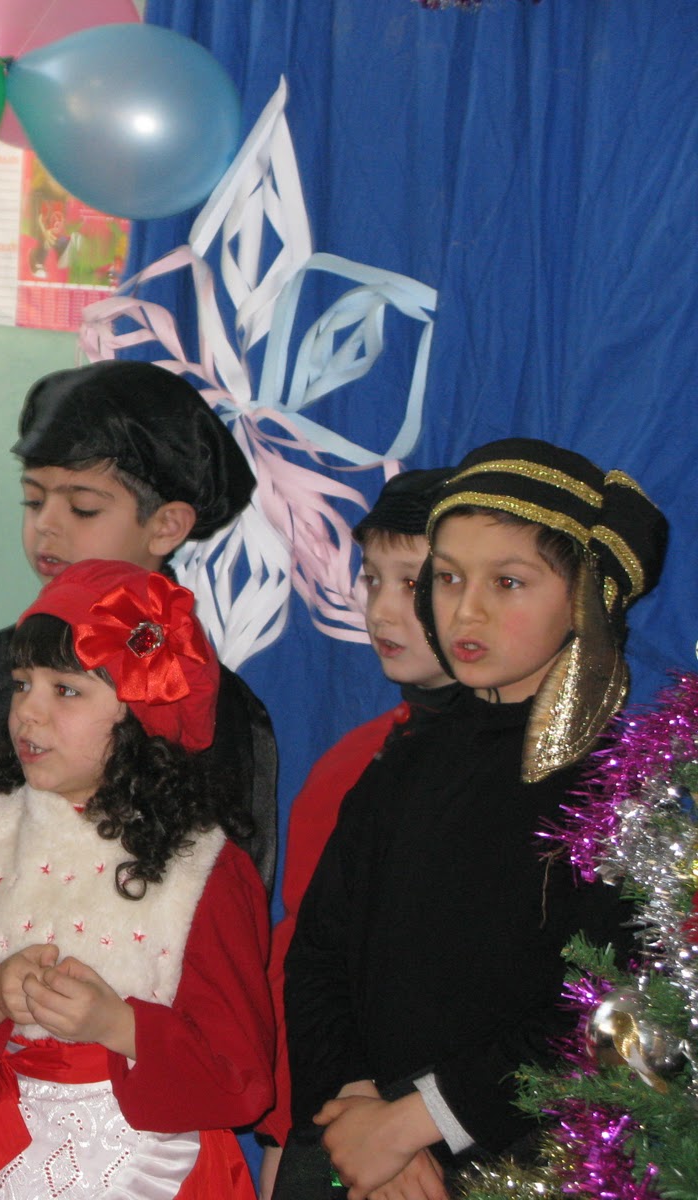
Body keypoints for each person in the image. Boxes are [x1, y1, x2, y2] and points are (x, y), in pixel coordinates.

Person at [282, 438, 668, 1199]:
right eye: (449, 577)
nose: (467, 609)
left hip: (519, 1161)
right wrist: (359, 1109)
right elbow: (320, 954)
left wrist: (418, 1122)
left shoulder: (615, 791)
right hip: (359, 1151)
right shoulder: (402, 764)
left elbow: (605, 1012)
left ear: (583, 598)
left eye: (509, 582)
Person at [0, 559, 274, 1200]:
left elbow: (240, 1077)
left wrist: (119, 1026)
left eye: (66, 690)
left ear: (139, 713)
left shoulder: (203, 869)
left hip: (150, 1171)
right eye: (21, 684)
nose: (27, 712)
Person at [0, 359, 278, 898]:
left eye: (82, 508)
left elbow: (230, 892)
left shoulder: (214, 702)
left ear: (166, 526)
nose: (46, 524)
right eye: (33, 500)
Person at [257, 468, 456, 1194]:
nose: (383, 610)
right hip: (344, 1122)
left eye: (415, 583)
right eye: (373, 580)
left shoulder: (560, 778)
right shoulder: (350, 766)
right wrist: (310, 1124)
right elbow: (308, 962)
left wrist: (415, 1128)